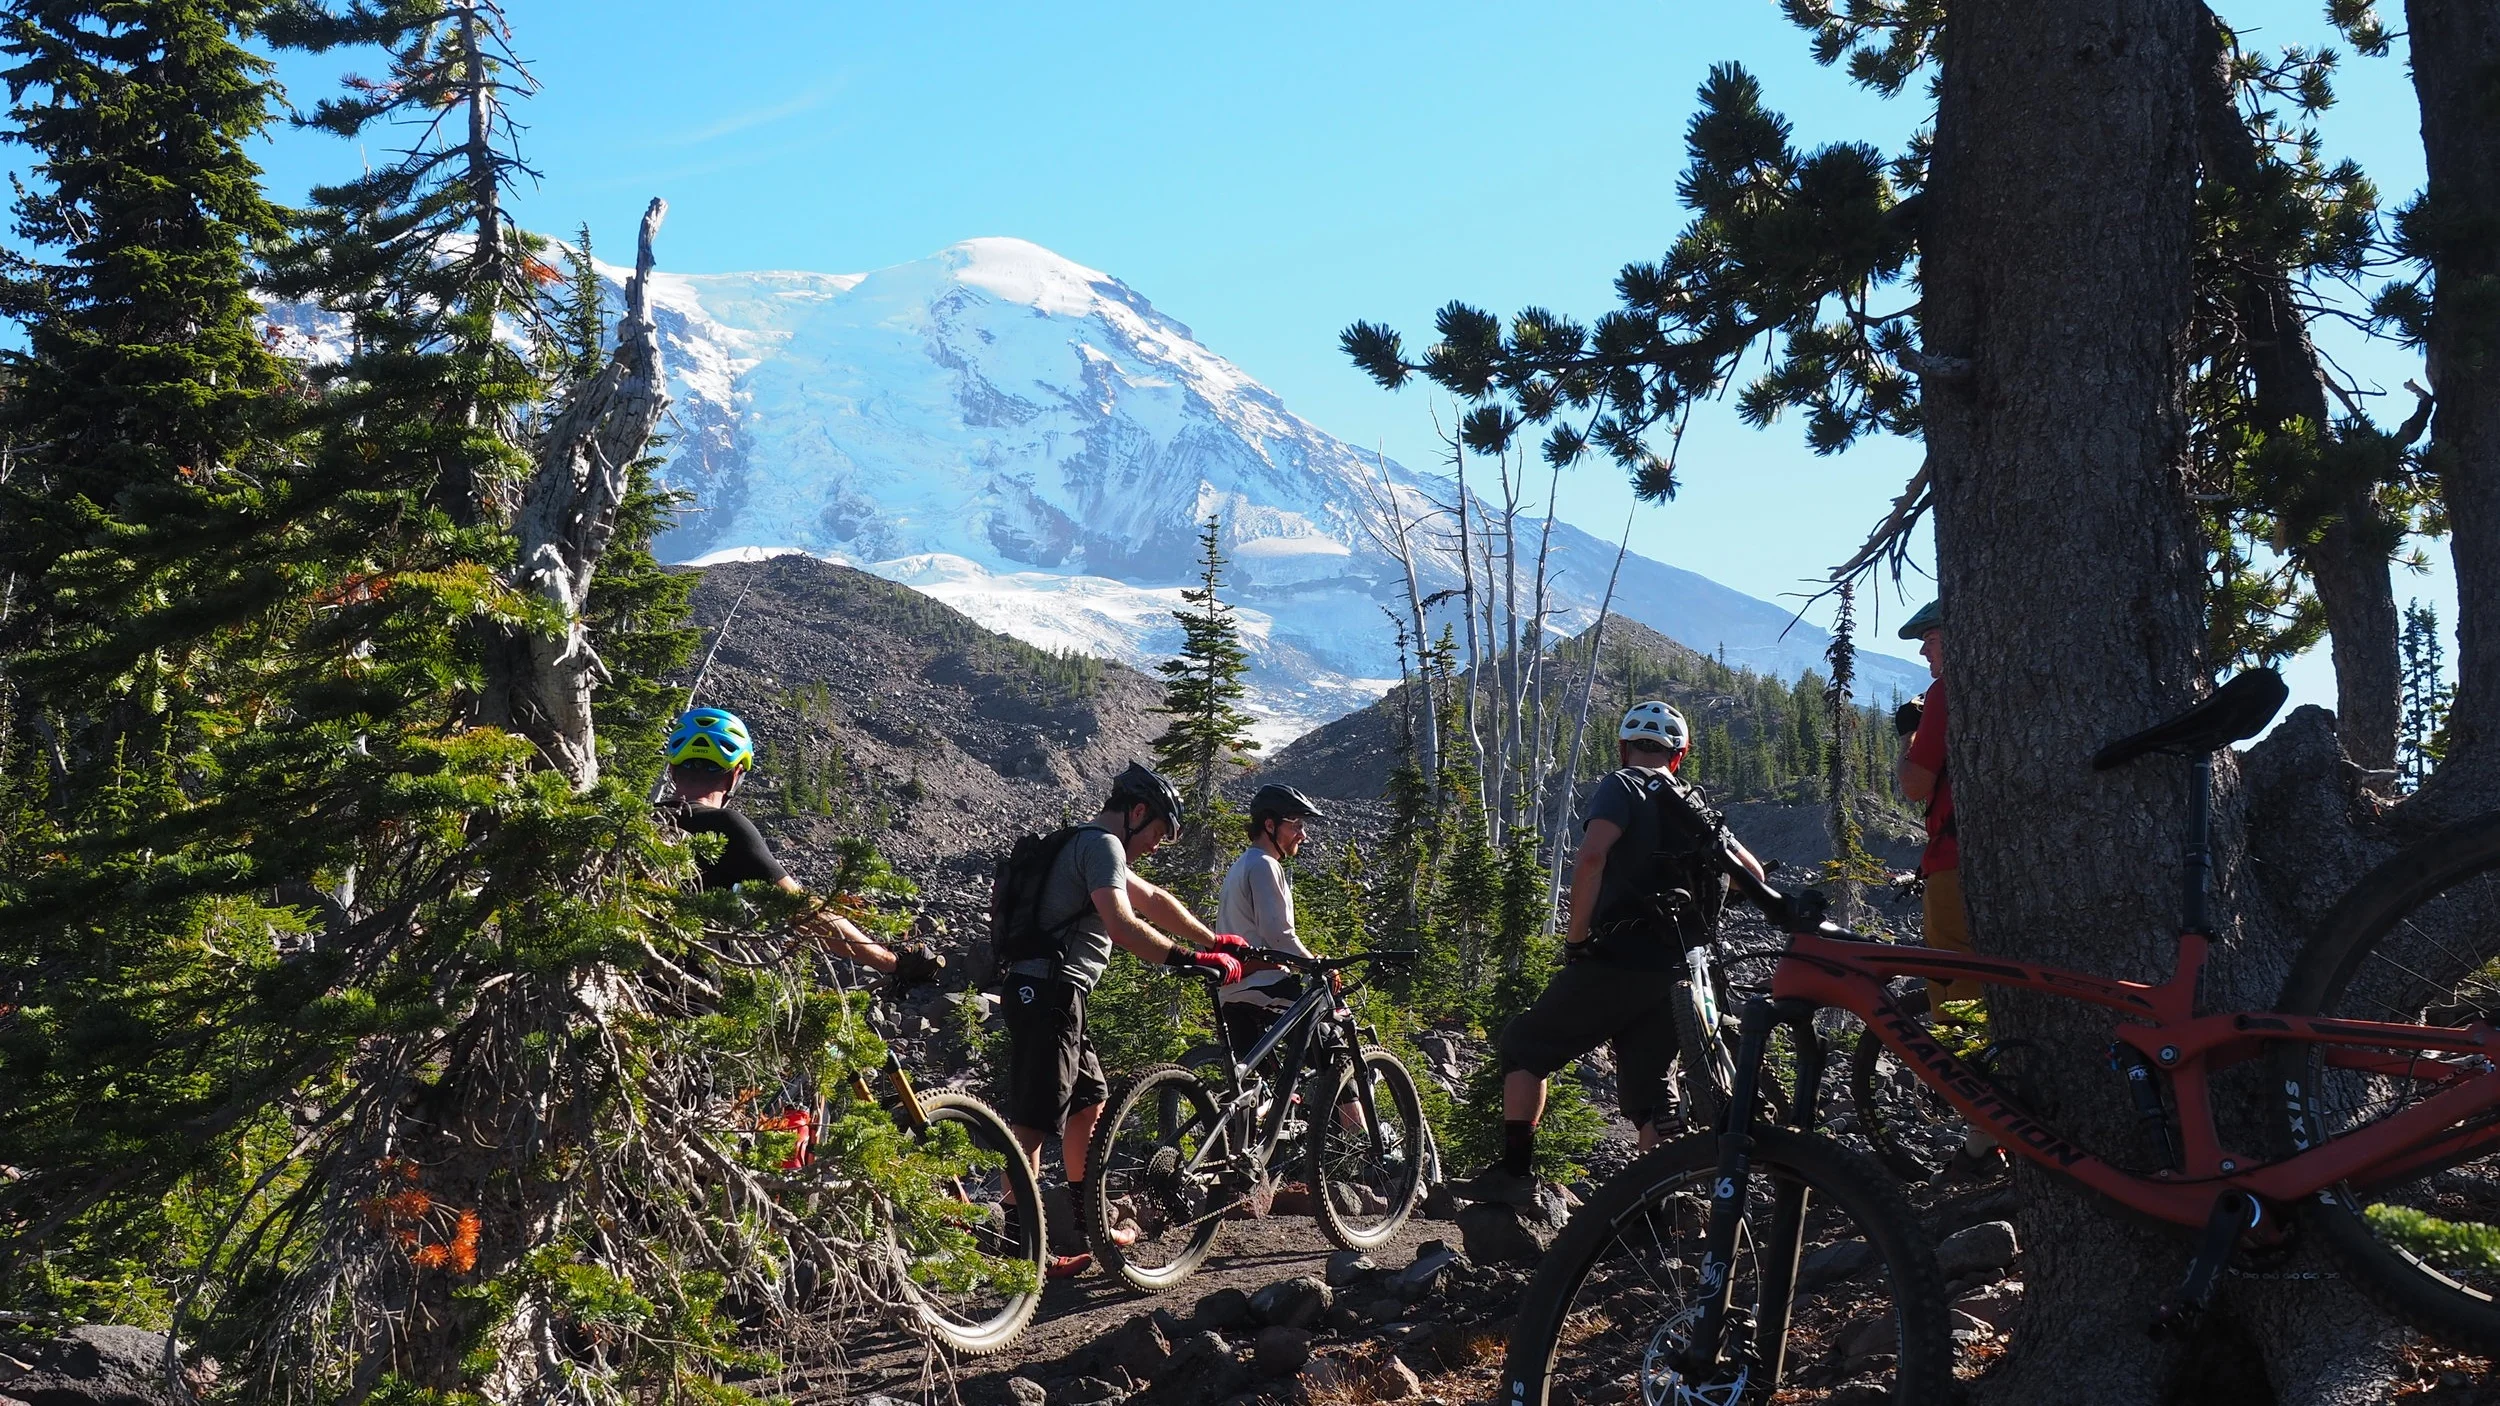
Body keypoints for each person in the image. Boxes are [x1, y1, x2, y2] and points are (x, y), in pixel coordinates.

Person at [1451, 702, 1769, 1207]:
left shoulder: (1622, 785)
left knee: (1524, 1047)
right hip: (1681, 969)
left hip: (1621, 956)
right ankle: (1660, 1206)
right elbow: (1752, 874)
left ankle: (1514, 1174)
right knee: (1652, 1092)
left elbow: (1592, 856)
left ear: (1623, 748)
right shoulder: (1694, 805)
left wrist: (1576, 938)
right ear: (1679, 755)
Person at [998, 762, 1251, 1277]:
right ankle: (1021, 1253)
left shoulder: (1089, 843)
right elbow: (1122, 924)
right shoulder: (1103, 846)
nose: (1157, 845)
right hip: (1048, 992)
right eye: (1158, 831)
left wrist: (1213, 940)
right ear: (1137, 812)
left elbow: (1153, 899)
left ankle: (1086, 1221)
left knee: (1089, 1103)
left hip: (1055, 995)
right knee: (1033, 1125)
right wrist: (1188, 959)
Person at [661, 707, 942, 987]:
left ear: (672, 770)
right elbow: (803, 910)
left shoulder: (641, 822)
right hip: (690, 995)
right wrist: (892, 961)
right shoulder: (726, 825)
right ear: (736, 774)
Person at [1893, 602, 1982, 1006]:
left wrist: (1907, 736)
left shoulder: (1947, 690)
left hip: (1951, 860)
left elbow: (1914, 785)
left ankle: (1961, 1047)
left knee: (1953, 981)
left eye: (1930, 638)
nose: (1923, 650)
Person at [1215, 784, 1329, 1059]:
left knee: (1255, 1078)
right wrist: (1314, 965)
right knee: (1331, 1048)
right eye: (1296, 825)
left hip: (1233, 991)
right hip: (1264, 984)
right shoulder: (1265, 864)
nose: (1303, 835)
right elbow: (1278, 935)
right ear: (1269, 825)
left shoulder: (1242, 864)